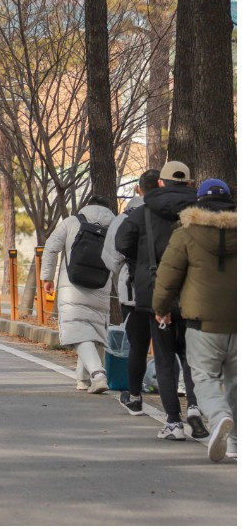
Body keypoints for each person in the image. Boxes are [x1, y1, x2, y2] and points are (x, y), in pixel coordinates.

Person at [116, 161, 205, 441]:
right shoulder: (201, 212)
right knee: (192, 358)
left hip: (157, 294)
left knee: (164, 358)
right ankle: (194, 407)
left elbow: (122, 244)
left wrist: (143, 258)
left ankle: (173, 422)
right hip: (194, 294)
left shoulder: (142, 213)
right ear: (190, 183)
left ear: (162, 183)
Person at [154, 178, 236, 462]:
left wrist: (160, 307)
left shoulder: (186, 233)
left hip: (202, 325)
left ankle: (219, 416)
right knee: (237, 380)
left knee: (204, 378)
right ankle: (236, 442)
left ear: (199, 200)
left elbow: (167, 277)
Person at [40, 196, 117, 394]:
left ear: (87, 206)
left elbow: (51, 247)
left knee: (78, 331)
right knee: (95, 331)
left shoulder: (72, 221)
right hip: (101, 284)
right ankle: (83, 379)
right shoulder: (116, 225)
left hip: (72, 286)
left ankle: (97, 374)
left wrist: (47, 277)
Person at [102, 170, 160, 416]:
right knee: (166, 347)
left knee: (138, 344)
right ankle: (186, 408)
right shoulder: (168, 215)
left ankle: (134, 397)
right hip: (167, 289)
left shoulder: (124, 217)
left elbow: (110, 257)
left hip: (133, 290)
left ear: (138, 189)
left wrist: (125, 269)